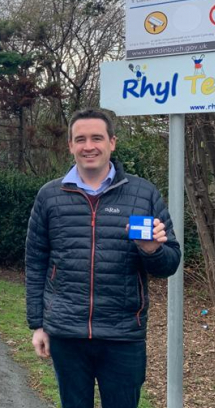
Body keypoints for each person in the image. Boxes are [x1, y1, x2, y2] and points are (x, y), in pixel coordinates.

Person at [25, 109, 181, 408]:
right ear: (70, 145)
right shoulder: (49, 196)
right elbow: (35, 263)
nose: (89, 146)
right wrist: (38, 325)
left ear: (112, 142)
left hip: (123, 334)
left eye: (97, 138)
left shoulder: (143, 193)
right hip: (66, 332)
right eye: (80, 139)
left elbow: (169, 264)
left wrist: (151, 250)